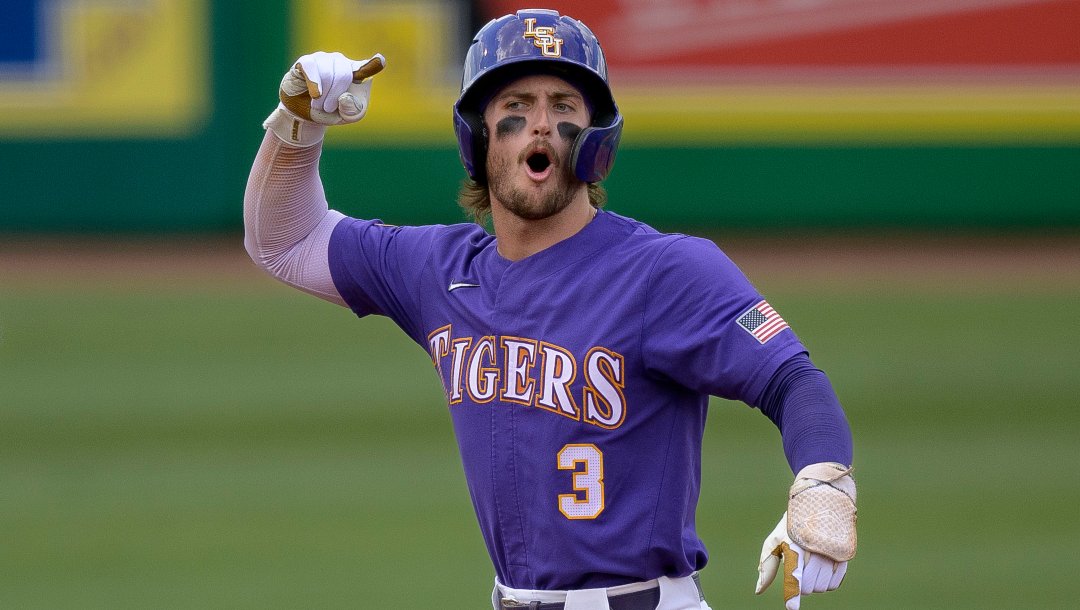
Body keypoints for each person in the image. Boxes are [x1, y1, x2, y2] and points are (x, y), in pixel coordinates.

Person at [244, 9, 856, 610]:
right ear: (477, 137)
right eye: (515, 107)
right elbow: (285, 241)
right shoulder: (440, 269)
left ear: (597, 141)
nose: (540, 125)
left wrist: (824, 478)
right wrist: (297, 127)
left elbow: (790, 378)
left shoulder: (665, 271)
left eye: (563, 107)